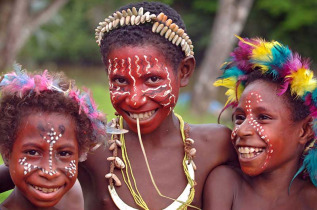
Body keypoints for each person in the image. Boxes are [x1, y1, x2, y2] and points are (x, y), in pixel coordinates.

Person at [0, 2, 236, 209]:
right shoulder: (90, 147)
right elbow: (30, 169)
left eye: (152, 79)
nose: (135, 98)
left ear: (184, 72)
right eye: (120, 81)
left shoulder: (216, 145)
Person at [203, 37, 317, 209]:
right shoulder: (226, 184)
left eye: (263, 117)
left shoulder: (311, 199)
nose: (241, 131)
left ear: (304, 131)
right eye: (239, 118)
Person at [0, 64, 107, 209]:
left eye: (64, 153)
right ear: (6, 152)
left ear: (80, 154)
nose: (50, 173)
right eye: (32, 152)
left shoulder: (73, 197)